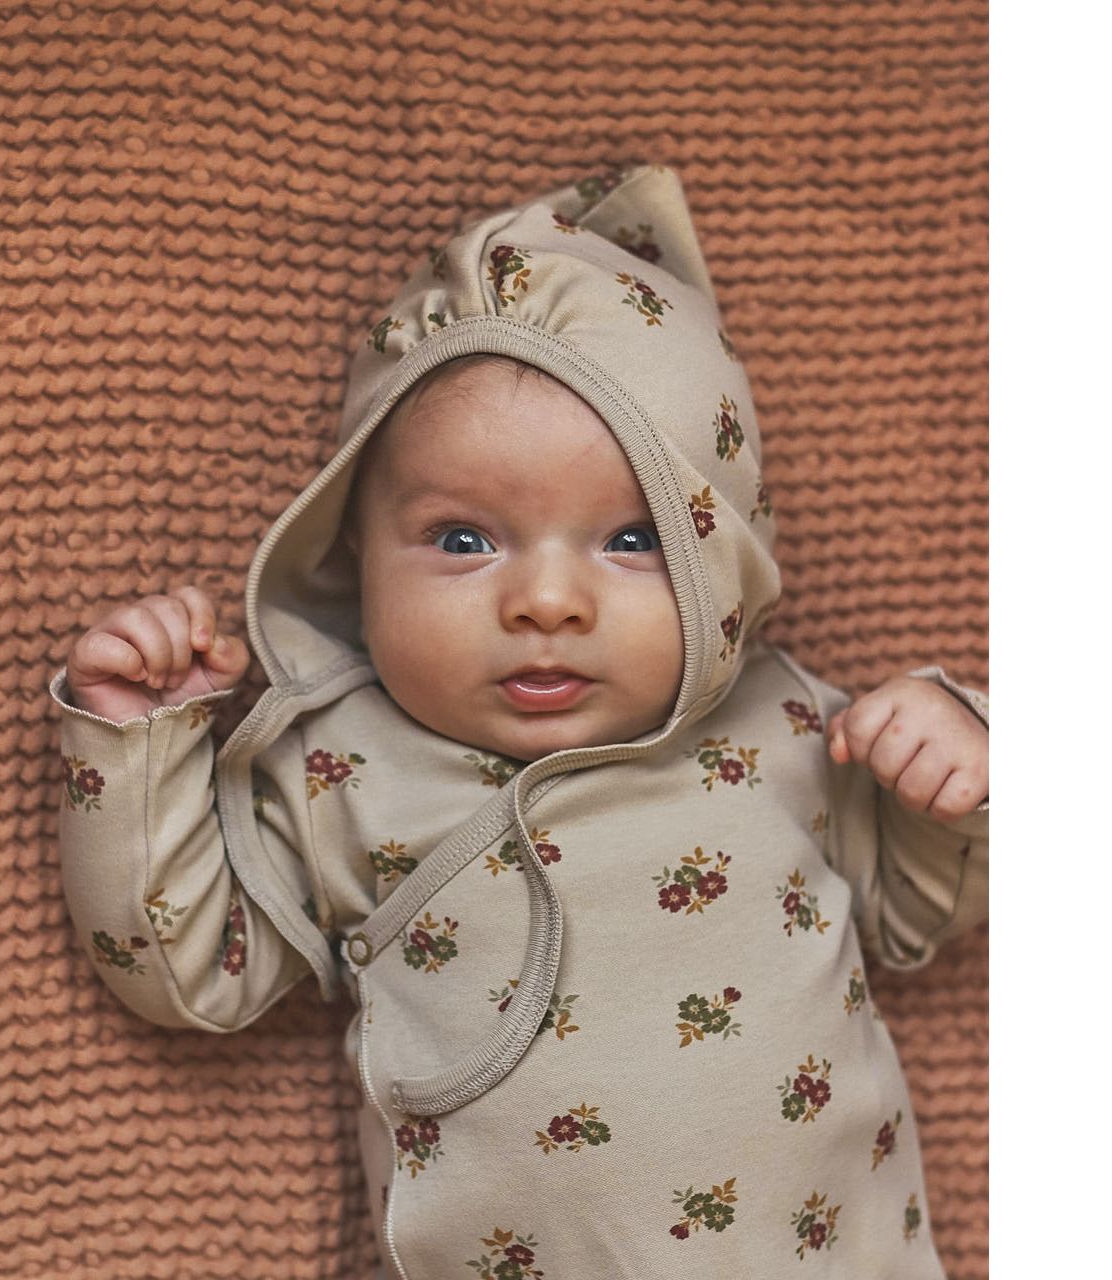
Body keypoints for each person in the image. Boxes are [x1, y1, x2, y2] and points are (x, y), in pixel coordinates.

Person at [51, 164, 987, 1277]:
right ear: (352, 555)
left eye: (632, 539)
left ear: (725, 556)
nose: (546, 602)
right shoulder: (338, 769)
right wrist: (141, 749)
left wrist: (955, 769)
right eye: (463, 540)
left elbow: (917, 916)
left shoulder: (787, 723)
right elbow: (188, 970)